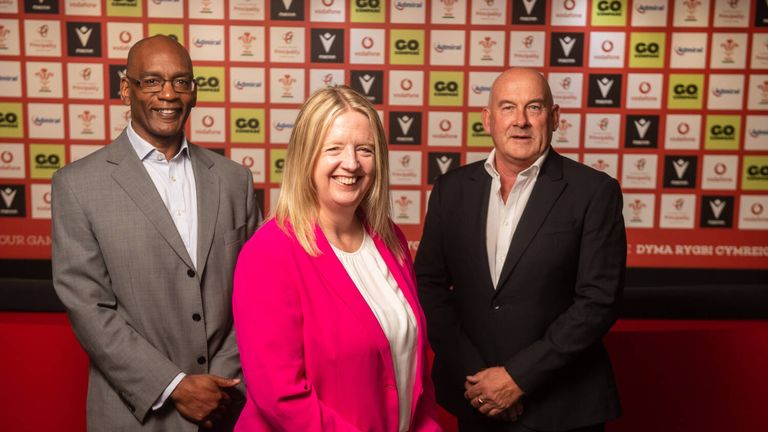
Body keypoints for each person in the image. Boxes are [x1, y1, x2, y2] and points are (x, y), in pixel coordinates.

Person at [52, 35, 260, 431]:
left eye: (181, 82)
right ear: (125, 89)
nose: (168, 93)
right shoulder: (77, 185)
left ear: (195, 93)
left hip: (228, 407)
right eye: (151, 81)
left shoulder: (235, 181)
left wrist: (222, 385)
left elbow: (255, 292)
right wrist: (176, 386)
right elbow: (88, 308)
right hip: (136, 415)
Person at [414, 68, 625, 432]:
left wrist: (517, 379)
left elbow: (598, 301)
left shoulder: (594, 192)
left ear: (555, 117)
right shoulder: (451, 189)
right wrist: (478, 381)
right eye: (508, 107)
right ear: (488, 119)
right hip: (475, 400)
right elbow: (429, 287)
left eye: (535, 108)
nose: (521, 121)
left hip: (562, 409)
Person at [232, 86, 442, 432]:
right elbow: (281, 397)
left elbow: (414, 365)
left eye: (365, 150)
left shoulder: (390, 239)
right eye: (334, 149)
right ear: (306, 156)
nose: (352, 163)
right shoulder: (269, 253)